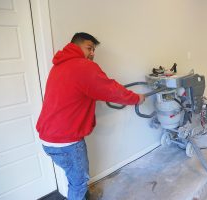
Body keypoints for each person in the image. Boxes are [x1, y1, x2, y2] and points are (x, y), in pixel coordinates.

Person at [36, 32, 145, 200]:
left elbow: (77, 92)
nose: (92, 53)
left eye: (94, 49)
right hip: (67, 142)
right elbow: (111, 90)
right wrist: (136, 98)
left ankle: (83, 196)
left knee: (74, 178)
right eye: (89, 48)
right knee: (78, 183)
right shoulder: (83, 67)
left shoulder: (58, 66)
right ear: (75, 45)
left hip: (48, 138)